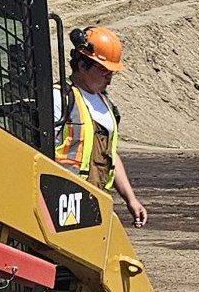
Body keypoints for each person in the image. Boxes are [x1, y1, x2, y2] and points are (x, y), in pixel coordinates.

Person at [55, 25, 147, 226]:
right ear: (82, 65)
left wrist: (130, 199)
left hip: (95, 199)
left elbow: (111, 154)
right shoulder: (59, 98)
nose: (109, 80)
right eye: (105, 72)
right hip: (64, 201)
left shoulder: (106, 104)